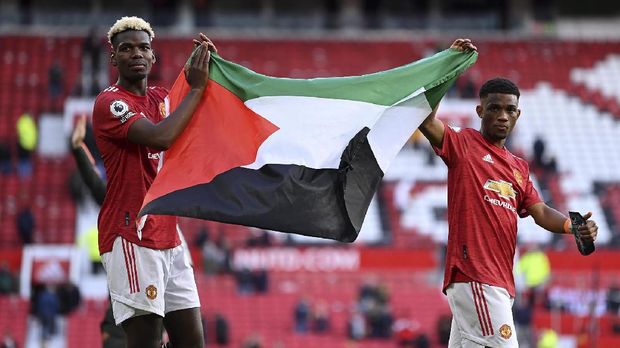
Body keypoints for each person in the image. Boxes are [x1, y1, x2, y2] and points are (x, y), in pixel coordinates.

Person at [418, 40, 599, 348]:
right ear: (479, 111)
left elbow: (539, 210)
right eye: (495, 108)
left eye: (509, 110)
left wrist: (571, 225)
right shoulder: (463, 144)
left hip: (500, 282)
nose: (502, 115)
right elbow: (425, 120)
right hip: (476, 276)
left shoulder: (518, 167)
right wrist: (447, 67)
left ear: (518, 115)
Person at [91, 16, 216, 348]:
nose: (137, 54)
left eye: (144, 47)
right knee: (146, 342)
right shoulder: (110, 103)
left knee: (192, 342)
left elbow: (195, 109)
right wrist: (198, 87)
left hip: (170, 235)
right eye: (126, 48)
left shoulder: (162, 98)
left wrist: (209, 68)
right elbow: (161, 137)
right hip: (132, 235)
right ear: (113, 57)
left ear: (153, 56)